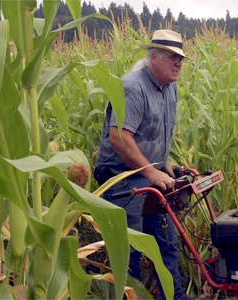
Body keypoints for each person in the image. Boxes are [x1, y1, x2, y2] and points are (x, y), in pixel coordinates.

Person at [94, 29, 188, 300]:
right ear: (154, 57)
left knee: (166, 243)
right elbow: (120, 138)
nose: (179, 63)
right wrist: (150, 171)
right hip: (123, 179)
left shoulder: (169, 88)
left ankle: (173, 296)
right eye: (173, 57)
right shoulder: (133, 87)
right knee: (130, 248)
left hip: (152, 175)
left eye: (181, 58)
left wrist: (164, 164)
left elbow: (154, 132)